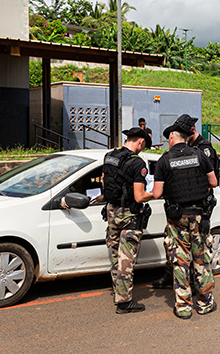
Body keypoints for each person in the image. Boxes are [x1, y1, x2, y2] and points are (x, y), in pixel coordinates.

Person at [152, 119, 218, 319]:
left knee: (180, 262)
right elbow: (213, 182)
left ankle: (183, 307)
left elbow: (156, 194)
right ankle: (205, 303)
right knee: (201, 259)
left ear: (172, 137)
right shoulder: (200, 155)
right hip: (199, 216)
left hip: (177, 218)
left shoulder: (164, 160)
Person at [100, 127, 153, 313]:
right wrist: (153, 194)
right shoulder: (137, 163)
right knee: (126, 259)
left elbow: (104, 181)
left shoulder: (109, 156)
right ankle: (124, 302)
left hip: (111, 211)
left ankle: (117, 290)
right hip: (129, 214)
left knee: (115, 254)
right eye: (144, 144)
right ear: (140, 141)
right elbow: (139, 197)